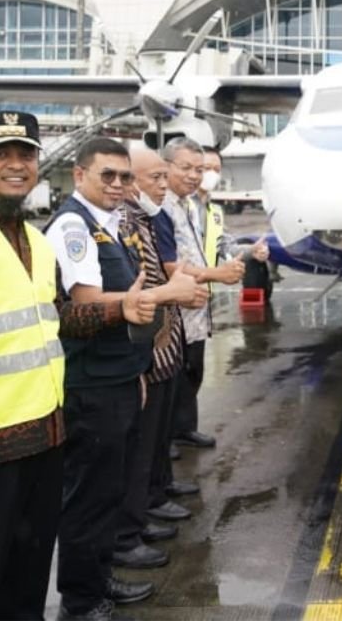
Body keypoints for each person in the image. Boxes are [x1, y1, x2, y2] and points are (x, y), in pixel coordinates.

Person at [0, 111, 150, 619]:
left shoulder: (36, 242)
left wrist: (118, 307)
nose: (16, 165)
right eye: (0, 154)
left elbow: (57, 318)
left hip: (43, 441)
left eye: (27, 154)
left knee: (23, 591)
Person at [45, 136, 205, 618]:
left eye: (123, 177)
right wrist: (167, 294)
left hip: (117, 375)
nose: (118, 185)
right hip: (90, 383)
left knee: (108, 489)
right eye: (107, 176)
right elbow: (88, 302)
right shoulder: (74, 226)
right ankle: (81, 598)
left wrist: (134, 371)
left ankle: (99, 578)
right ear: (79, 175)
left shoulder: (107, 225)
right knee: (88, 496)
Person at [112, 145, 208, 564]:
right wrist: (173, 293)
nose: (162, 185)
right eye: (156, 177)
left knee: (155, 435)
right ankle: (131, 527)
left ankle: (152, 498)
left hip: (164, 340)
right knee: (138, 444)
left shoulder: (148, 216)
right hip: (144, 346)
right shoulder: (124, 221)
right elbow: (136, 284)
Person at [162, 138, 248, 456]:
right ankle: (166, 436)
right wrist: (217, 274)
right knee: (172, 372)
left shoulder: (194, 206)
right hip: (174, 305)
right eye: (187, 168)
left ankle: (183, 428)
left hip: (197, 301)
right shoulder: (162, 207)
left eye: (201, 169)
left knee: (192, 368)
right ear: (166, 166)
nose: (195, 176)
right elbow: (169, 264)